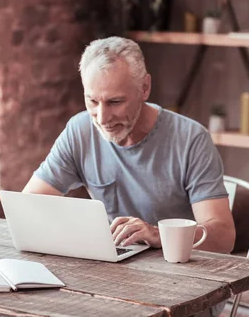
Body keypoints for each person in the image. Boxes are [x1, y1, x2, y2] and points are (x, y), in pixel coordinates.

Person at [23, 36, 235, 252]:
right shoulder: (80, 130)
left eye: (115, 102)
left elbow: (224, 237)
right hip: (114, 265)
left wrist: (158, 234)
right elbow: (29, 205)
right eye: (92, 101)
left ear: (144, 87)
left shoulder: (191, 140)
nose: (102, 118)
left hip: (178, 270)